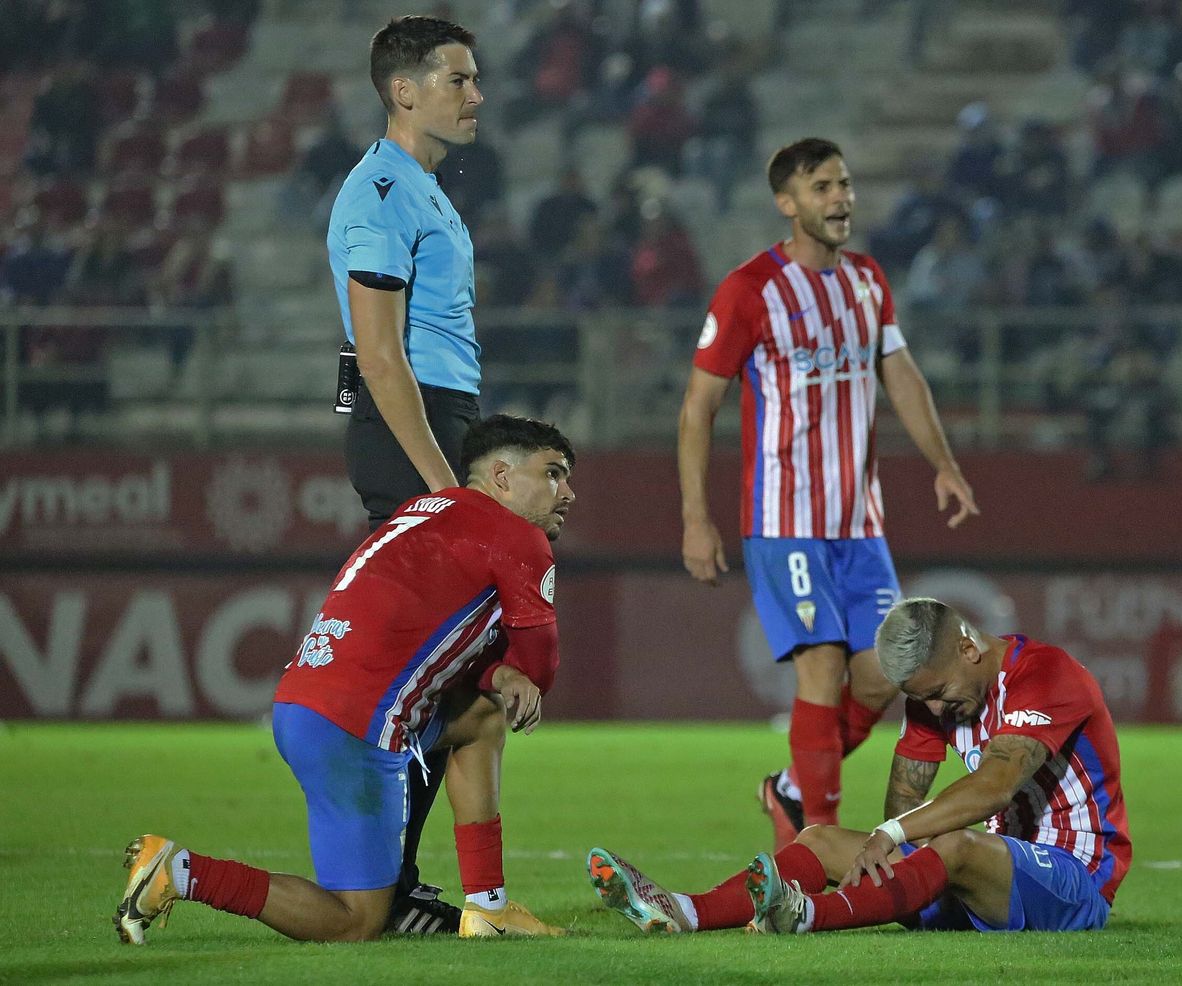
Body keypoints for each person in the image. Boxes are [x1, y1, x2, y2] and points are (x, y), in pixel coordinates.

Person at [115, 415, 576, 944]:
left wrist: (497, 673)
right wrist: (515, 673)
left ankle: (487, 907)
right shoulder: (516, 536)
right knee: (355, 922)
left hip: (304, 705)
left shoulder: (420, 512)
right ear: (501, 476)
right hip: (357, 727)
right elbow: (540, 668)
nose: (567, 492)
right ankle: (180, 871)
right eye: (553, 474)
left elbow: (421, 638)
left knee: (479, 717)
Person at [677, 138, 979, 851]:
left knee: (881, 678)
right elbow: (698, 407)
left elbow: (900, 373)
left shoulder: (869, 281)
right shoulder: (751, 290)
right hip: (786, 522)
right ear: (788, 204)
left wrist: (945, 463)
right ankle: (817, 841)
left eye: (845, 184)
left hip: (859, 526)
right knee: (819, 665)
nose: (841, 198)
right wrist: (696, 517)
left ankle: (789, 787)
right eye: (822, 188)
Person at [587, 596, 1130, 935]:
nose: (935, 709)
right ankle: (684, 911)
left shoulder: (1046, 674)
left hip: (1074, 881)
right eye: (923, 699)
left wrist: (892, 835)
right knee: (820, 840)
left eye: (938, 693)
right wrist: (889, 845)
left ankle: (805, 916)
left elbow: (995, 787)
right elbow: (902, 805)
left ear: (968, 650)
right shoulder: (934, 696)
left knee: (957, 843)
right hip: (982, 882)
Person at [326, 15, 488, 932]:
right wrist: (444, 487)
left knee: (454, 676)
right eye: (459, 79)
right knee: (430, 677)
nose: (477, 96)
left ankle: (403, 886)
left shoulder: (421, 189)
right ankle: (385, 891)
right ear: (404, 91)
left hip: (437, 421)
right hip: (409, 429)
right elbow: (380, 355)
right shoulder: (382, 189)